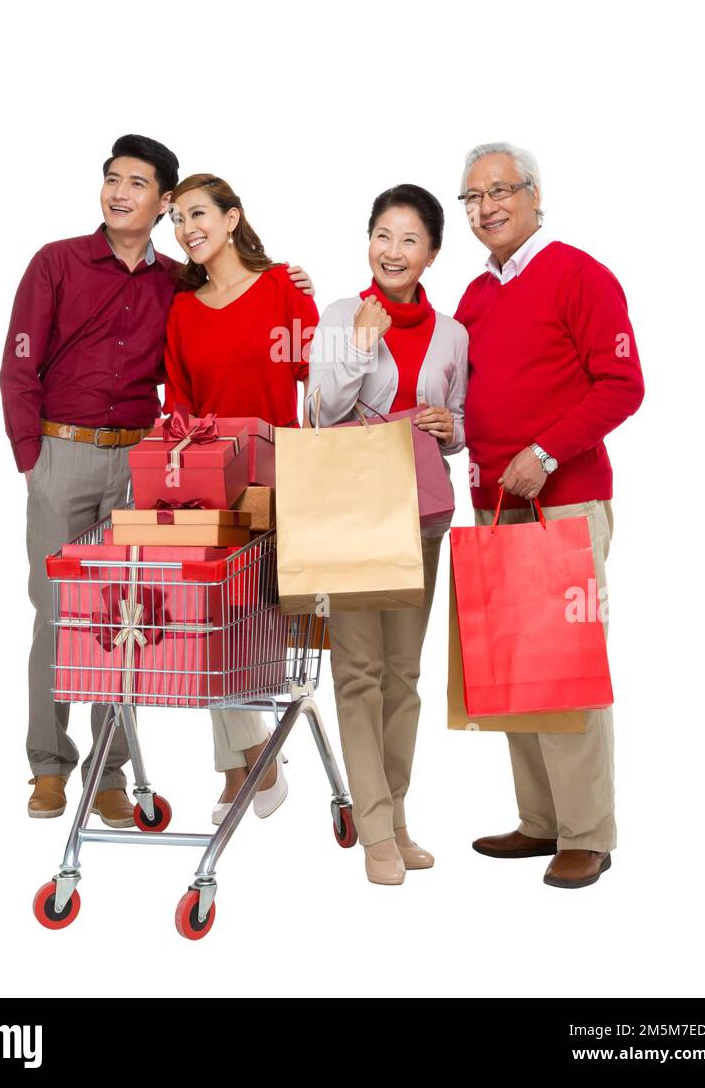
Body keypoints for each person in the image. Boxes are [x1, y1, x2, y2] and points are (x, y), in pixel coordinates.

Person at [0, 138, 314, 825]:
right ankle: (49, 767)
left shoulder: (177, 280)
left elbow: (252, 321)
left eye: (137, 183)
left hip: (143, 461)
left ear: (162, 200)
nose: (119, 192)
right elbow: (18, 363)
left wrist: (300, 289)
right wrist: (33, 457)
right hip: (63, 452)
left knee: (127, 621)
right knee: (59, 613)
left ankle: (109, 772)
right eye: (111, 179)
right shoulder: (56, 262)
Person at [453, 141, 644, 889]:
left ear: (535, 195)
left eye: (502, 190)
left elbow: (621, 384)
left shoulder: (579, 275)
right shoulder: (475, 296)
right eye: (473, 197)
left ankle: (588, 832)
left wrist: (547, 452)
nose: (488, 206)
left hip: (562, 501)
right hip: (493, 505)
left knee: (567, 669)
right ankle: (540, 822)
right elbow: (480, 402)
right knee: (513, 669)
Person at [305, 184, 467, 886]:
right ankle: (373, 829)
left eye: (409, 239)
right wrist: (359, 344)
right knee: (358, 672)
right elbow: (321, 410)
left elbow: (459, 423)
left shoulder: (455, 332)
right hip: (352, 513)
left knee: (404, 676)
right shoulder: (342, 315)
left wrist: (450, 427)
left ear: (431, 252)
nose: (393, 251)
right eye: (382, 235)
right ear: (367, 241)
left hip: (422, 513)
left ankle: (398, 818)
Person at [164, 173, 319, 823]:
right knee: (210, 625)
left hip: (280, 485)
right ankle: (253, 757)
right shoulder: (182, 311)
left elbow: (330, 377)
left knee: (241, 627)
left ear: (233, 219)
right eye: (175, 219)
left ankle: (244, 764)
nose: (185, 228)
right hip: (212, 493)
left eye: (197, 213)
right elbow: (178, 408)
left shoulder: (283, 287)